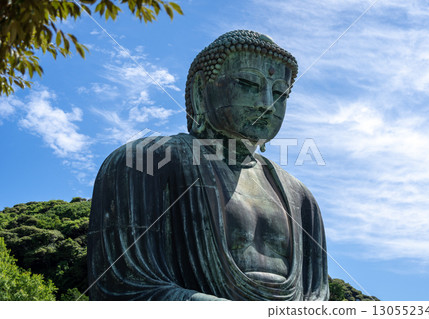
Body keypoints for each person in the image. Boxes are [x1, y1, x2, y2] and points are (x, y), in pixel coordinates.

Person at [87, 30, 329, 300]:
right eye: (248, 83)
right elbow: (121, 288)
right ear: (201, 90)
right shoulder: (144, 161)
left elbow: (315, 297)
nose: (267, 105)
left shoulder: (301, 198)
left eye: (279, 94)